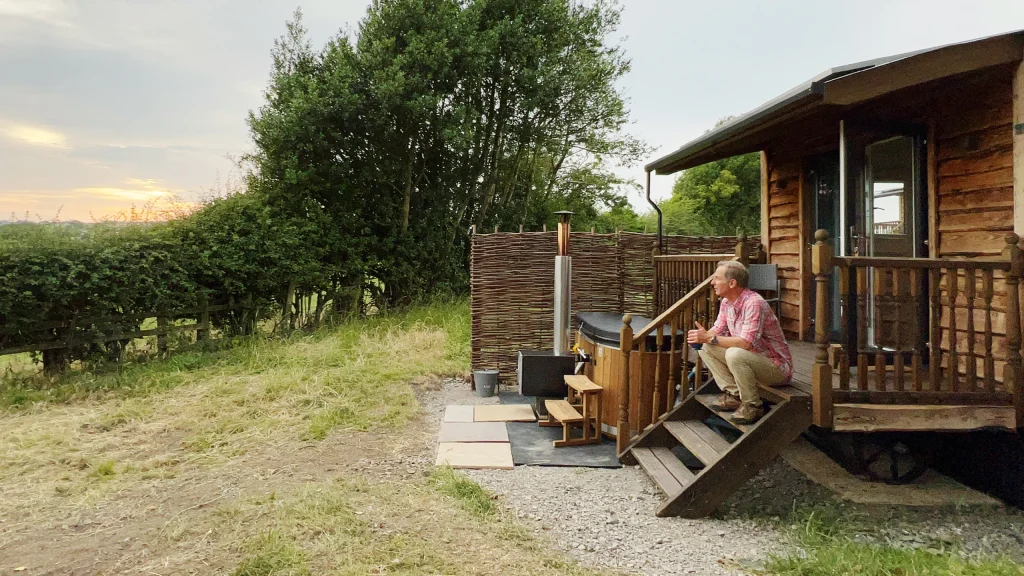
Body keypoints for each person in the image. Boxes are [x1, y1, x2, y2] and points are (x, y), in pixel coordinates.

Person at [686, 260, 792, 425]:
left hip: (777, 368)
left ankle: (752, 405)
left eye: (716, 278)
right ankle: (735, 395)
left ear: (732, 283)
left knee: (734, 352)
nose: (712, 282)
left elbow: (745, 344)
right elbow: (716, 330)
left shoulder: (754, 302)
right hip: (751, 360)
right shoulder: (726, 303)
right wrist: (702, 336)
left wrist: (709, 337)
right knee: (706, 347)